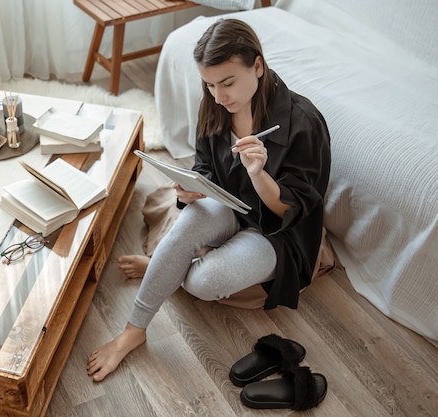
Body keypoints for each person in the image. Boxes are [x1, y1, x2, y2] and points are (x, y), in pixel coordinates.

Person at [87, 18, 331, 382]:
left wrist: (259, 174)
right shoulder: (214, 105)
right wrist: (193, 189)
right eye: (210, 84)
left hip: (276, 232)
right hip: (230, 205)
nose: (219, 95)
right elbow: (205, 166)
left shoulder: (303, 122)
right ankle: (134, 329)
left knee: (204, 283)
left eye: (228, 82)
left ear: (258, 66)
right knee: (189, 221)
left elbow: (291, 210)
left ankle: (165, 265)